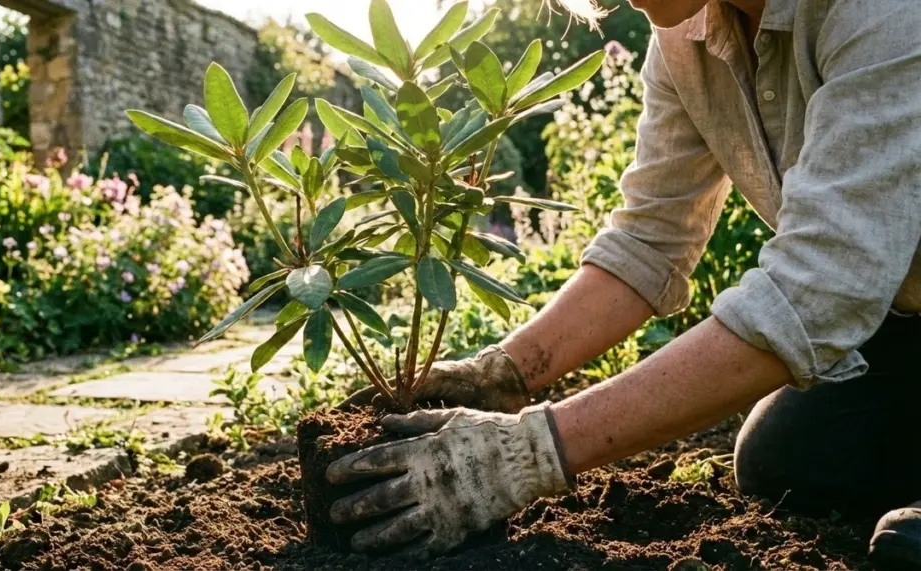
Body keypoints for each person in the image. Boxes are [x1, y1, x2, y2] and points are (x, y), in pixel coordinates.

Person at [325, 0, 921, 565]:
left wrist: (528, 454)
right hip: (906, 319)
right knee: (789, 460)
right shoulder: (686, 37)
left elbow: (817, 290)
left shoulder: (887, 15)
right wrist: (506, 374)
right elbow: (650, 240)